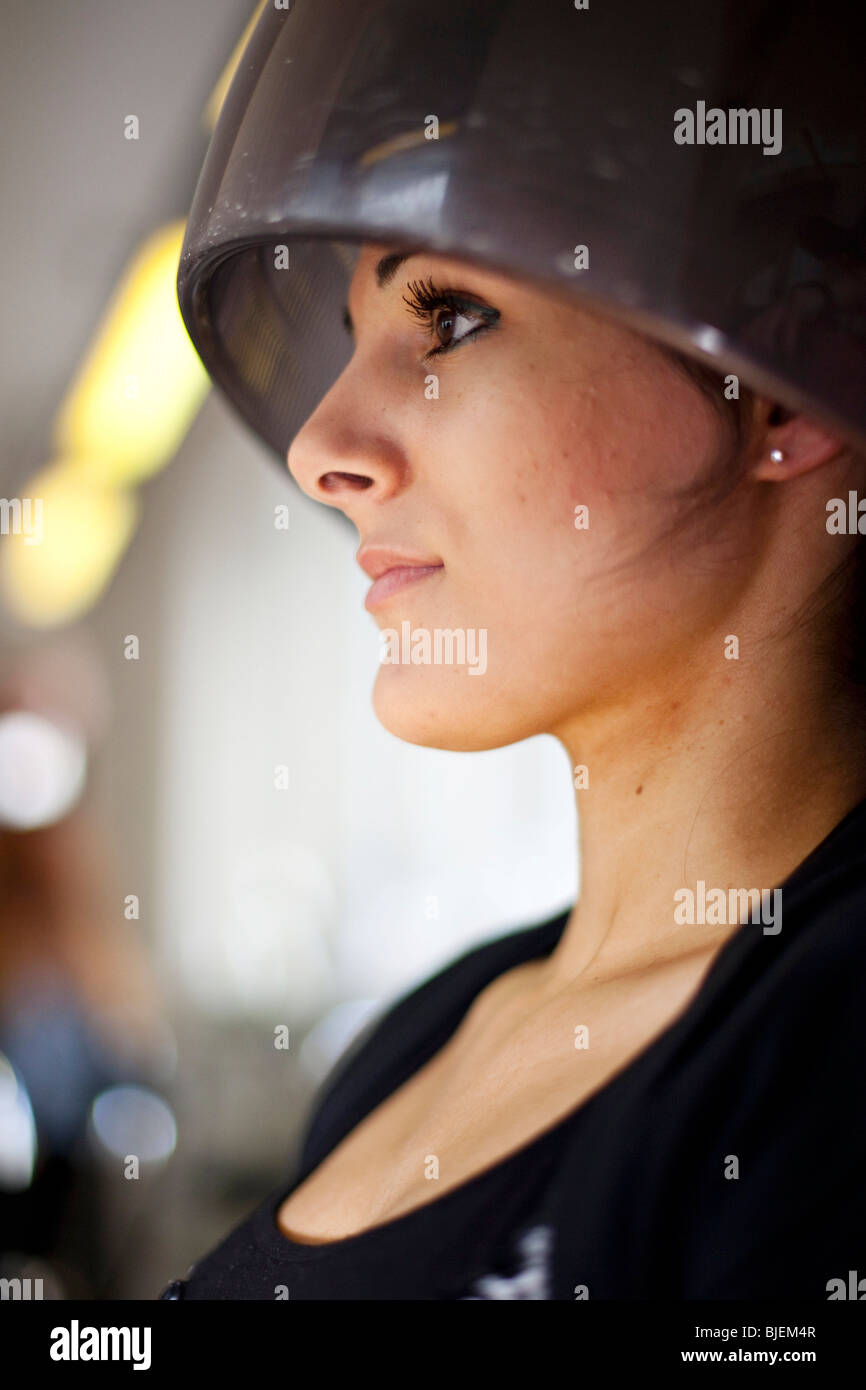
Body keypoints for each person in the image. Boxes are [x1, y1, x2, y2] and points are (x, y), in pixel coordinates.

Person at [160, 0, 866, 1298]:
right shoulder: (439, 1022)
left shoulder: (829, 1054)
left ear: (773, 380)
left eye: (452, 320)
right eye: (350, 337)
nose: (323, 448)